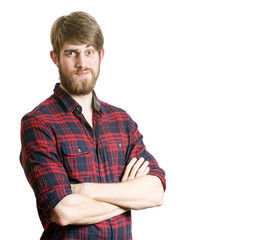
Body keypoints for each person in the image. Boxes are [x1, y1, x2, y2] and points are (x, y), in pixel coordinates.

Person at [20, 11, 166, 240]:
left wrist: (86, 190)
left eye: (89, 52)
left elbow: (155, 192)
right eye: (71, 53)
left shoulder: (122, 122)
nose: (82, 63)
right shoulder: (39, 123)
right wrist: (127, 199)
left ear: (101, 55)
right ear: (55, 58)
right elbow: (63, 210)